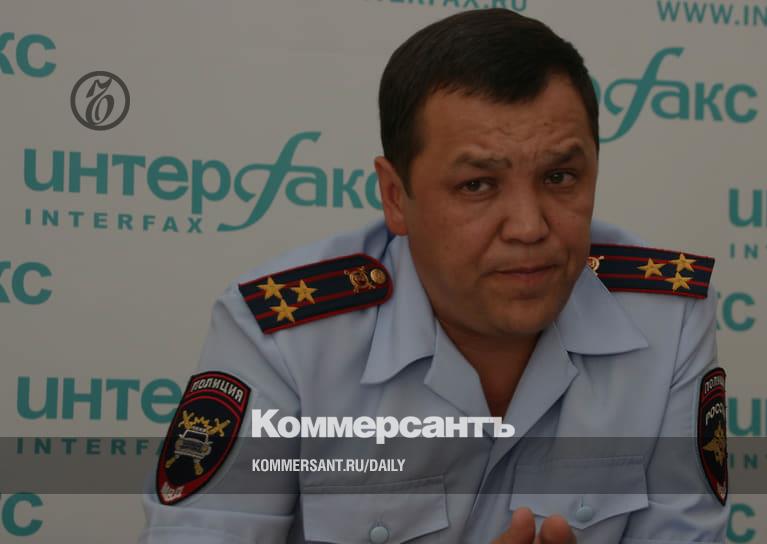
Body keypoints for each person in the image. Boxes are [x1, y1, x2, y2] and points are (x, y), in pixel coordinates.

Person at [141, 9, 727, 544]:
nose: (529, 227)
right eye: (477, 185)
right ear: (396, 197)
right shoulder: (284, 338)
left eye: (560, 177)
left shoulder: (668, 318)